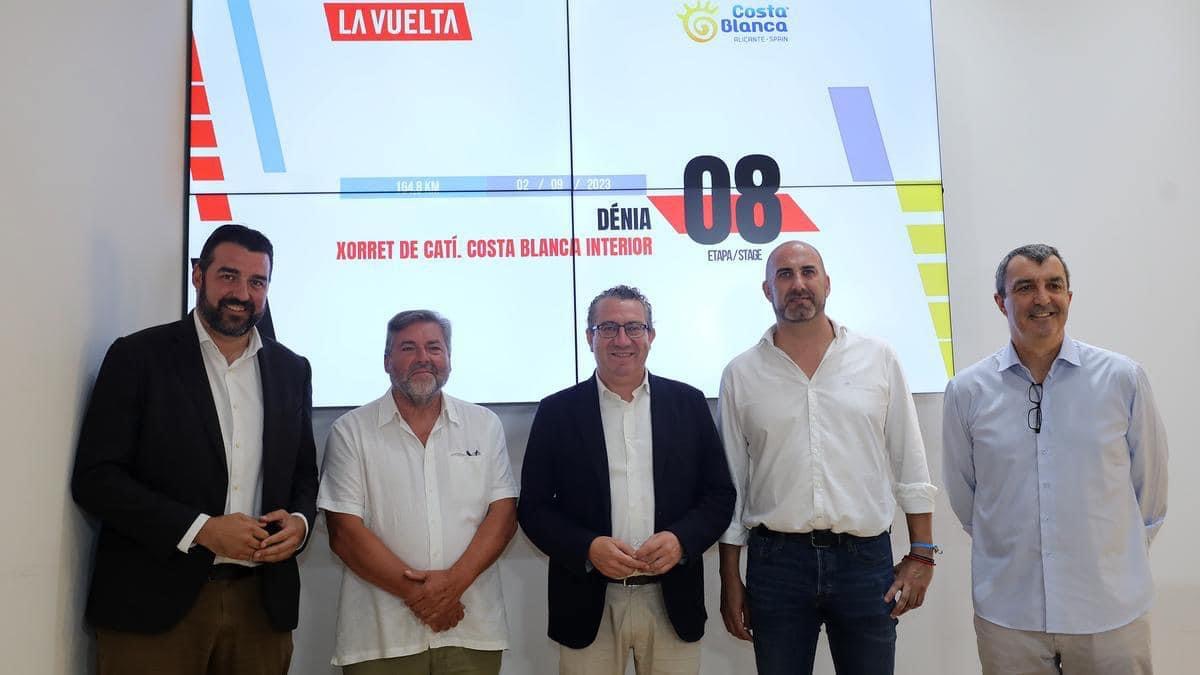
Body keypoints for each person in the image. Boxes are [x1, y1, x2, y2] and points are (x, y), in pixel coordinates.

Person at [71, 223, 318, 675]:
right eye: (228, 276)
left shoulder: (291, 369)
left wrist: (300, 524)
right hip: (152, 604)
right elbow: (96, 479)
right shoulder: (138, 357)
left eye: (257, 281)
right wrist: (201, 529)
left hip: (261, 607)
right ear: (198, 275)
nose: (242, 293)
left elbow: (303, 473)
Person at [942, 243, 1168, 675]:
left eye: (1054, 285)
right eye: (1025, 287)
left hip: (1109, 610)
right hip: (1009, 613)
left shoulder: (1122, 379)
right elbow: (966, 498)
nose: (1042, 298)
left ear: (1069, 296)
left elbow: (1151, 491)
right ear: (1001, 302)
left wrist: (1110, 557)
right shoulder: (967, 391)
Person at [717, 240, 938, 675]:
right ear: (767, 290)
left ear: (827, 283)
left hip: (864, 561)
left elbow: (910, 460)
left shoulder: (878, 358)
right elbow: (734, 486)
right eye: (785, 274)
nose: (798, 284)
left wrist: (923, 553)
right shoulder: (741, 374)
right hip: (776, 564)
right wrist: (730, 579)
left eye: (808, 272)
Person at [518, 285, 735, 675]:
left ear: (651, 335)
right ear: (590, 337)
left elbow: (719, 494)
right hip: (587, 603)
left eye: (634, 327)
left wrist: (681, 540)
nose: (622, 339)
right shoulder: (557, 411)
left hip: (672, 600)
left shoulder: (688, 403)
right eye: (608, 328)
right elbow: (534, 508)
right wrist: (587, 548)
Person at [320, 310, 518, 675]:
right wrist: (423, 598)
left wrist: (451, 588)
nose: (423, 358)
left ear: (449, 359)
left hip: (470, 627)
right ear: (386, 361)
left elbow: (503, 517)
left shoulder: (484, 425)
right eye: (408, 348)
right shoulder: (351, 431)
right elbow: (344, 534)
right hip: (380, 636)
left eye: (434, 348)